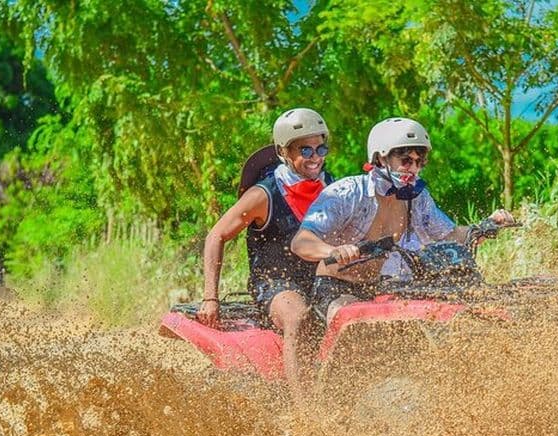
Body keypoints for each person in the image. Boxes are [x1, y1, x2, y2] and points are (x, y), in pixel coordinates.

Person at [290, 117, 514, 323]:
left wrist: (484, 227)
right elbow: (301, 242)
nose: (414, 169)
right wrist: (333, 251)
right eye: (406, 161)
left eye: (419, 162)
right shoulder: (346, 192)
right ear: (380, 157)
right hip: (336, 290)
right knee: (357, 322)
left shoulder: (417, 198)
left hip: (381, 289)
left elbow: (449, 236)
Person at [197, 108, 332, 404]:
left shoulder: (333, 187)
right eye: (305, 149)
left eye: (321, 147)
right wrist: (210, 298)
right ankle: (305, 414)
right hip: (276, 285)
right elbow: (216, 236)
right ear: (284, 151)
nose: (315, 156)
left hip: (323, 281)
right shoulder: (264, 195)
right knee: (298, 316)